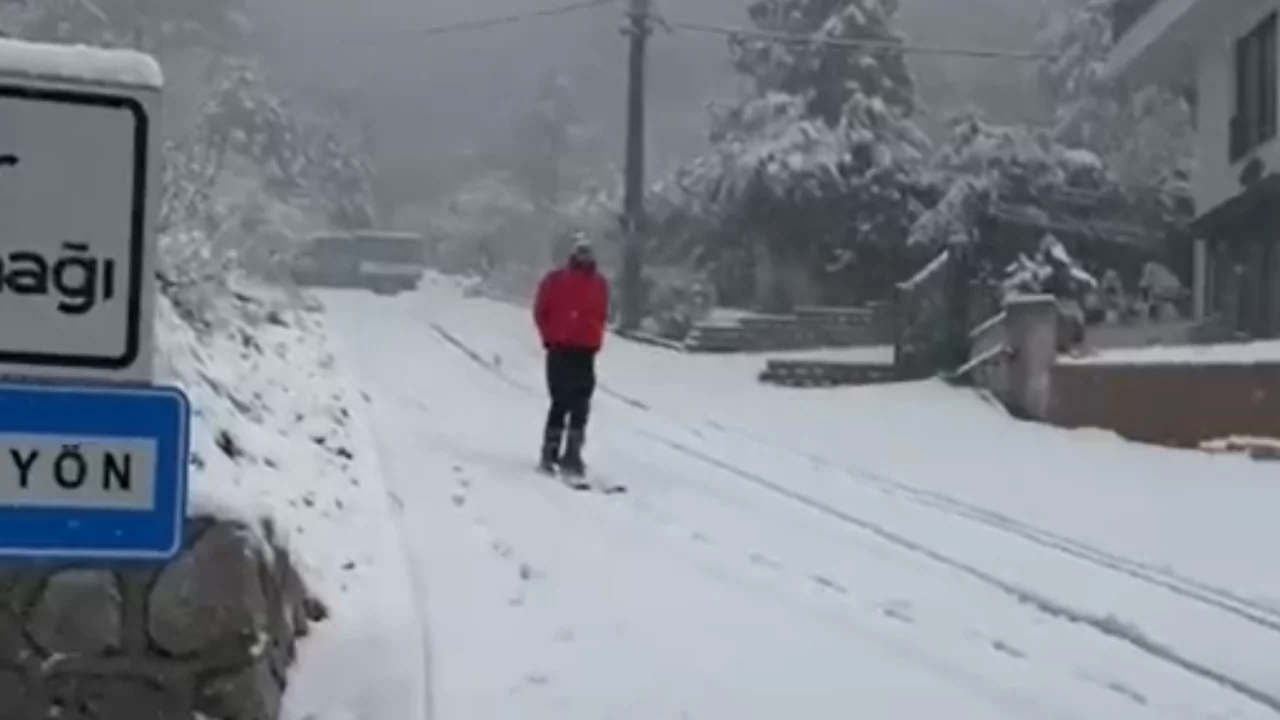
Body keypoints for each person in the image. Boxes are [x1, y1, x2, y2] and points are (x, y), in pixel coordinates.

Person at [533, 235, 609, 475]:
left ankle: (573, 453)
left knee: (581, 403)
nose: (585, 258)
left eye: (588, 253)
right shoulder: (555, 280)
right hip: (560, 347)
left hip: (585, 349)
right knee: (560, 400)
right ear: (573, 256)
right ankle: (550, 451)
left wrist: (595, 335)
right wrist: (549, 336)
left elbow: (602, 312)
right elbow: (540, 310)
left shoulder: (599, 283)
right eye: (581, 253)